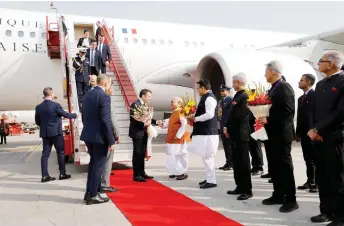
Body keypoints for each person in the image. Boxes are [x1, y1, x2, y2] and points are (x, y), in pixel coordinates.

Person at [308, 50, 344, 225]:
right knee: (322, 177)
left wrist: (318, 128)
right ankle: (326, 211)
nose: (318, 64)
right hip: (319, 137)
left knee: (336, 178)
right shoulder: (321, 84)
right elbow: (314, 111)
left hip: (336, 137)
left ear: (330, 64)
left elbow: (340, 112)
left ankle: (340, 216)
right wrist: (313, 130)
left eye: (321, 61)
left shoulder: (343, 81)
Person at [258, 60, 299, 213]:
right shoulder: (272, 88)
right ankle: (278, 195)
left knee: (284, 167)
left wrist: (268, 118)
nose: (265, 75)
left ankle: (291, 199)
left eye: (266, 72)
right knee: (274, 166)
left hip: (282, 134)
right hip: (271, 134)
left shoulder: (284, 87)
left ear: (274, 72)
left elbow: (288, 110)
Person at [80, 74, 115, 205]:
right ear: (105, 83)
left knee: (93, 165)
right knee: (98, 166)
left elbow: (84, 116)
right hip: (100, 137)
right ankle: (93, 195)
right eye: (110, 84)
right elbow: (106, 120)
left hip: (89, 135)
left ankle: (89, 192)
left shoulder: (88, 94)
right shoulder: (104, 96)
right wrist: (111, 140)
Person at [35, 87, 77, 183]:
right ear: (51, 94)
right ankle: (62, 173)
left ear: (44, 95)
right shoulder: (55, 105)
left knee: (45, 155)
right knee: (60, 153)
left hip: (45, 134)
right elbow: (66, 115)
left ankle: (44, 176)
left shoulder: (38, 107)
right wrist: (76, 115)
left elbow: (37, 121)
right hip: (56, 133)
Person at [224, 73, 253, 200]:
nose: (232, 84)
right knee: (236, 161)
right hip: (234, 133)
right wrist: (227, 127)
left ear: (239, 82)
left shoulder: (245, 96)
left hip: (241, 134)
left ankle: (247, 190)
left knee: (243, 162)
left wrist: (228, 127)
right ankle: (239, 186)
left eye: (234, 82)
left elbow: (240, 116)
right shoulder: (237, 95)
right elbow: (231, 114)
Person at [188, 79, 219, 189]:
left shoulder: (209, 98)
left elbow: (210, 115)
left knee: (208, 157)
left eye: (199, 88)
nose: (198, 91)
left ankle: (211, 180)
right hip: (205, 132)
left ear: (203, 88)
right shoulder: (206, 97)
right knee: (205, 157)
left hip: (208, 133)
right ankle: (209, 178)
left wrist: (196, 119)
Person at [157, 97, 190, 180]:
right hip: (172, 137)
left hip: (179, 138)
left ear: (179, 103)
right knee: (173, 155)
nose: (171, 103)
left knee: (180, 155)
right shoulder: (175, 112)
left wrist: (178, 135)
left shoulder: (181, 111)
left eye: (173, 102)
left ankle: (182, 172)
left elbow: (184, 124)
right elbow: (171, 122)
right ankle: (175, 171)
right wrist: (163, 124)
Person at [296, 74, 317, 193]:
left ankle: (316, 182)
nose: (299, 82)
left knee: (315, 159)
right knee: (307, 158)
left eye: (301, 80)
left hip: (312, 132)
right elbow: (300, 117)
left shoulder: (314, 96)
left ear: (308, 82)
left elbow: (315, 115)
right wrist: (298, 132)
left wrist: (314, 130)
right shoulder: (301, 98)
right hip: (304, 133)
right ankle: (310, 180)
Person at [129, 89, 156, 182]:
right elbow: (134, 120)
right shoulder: (135, 105)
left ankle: (142, 172)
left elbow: (148, 117)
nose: (150, 98)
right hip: (137, 133)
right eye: (148, 96)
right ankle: (136, 175)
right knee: (137, 153)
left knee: (142, 153)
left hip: (144, 132)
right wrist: (144, 124)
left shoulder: (145, 105)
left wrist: (156, 122)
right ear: (143, 96)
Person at [100, 78, 120, 193]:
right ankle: (105, 184)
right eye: (111, 86)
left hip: (96, 135)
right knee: (107, 160)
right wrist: (117, 133)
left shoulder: (91, 96)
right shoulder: (107, 99)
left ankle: (99, 183)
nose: (112, 89)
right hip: (106, 135)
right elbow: (112, 119)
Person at [217, 84, 233, 171]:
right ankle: (227, 162)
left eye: (224, 91)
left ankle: (231, 163)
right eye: (221, 91)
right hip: (222, 124)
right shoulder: (221, 101)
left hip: (227, 125)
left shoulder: (230, 100)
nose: (222, 92)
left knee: (229, 145)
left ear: (228, 91)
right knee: (225, 145)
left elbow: (230, 113)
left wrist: (228, 125)